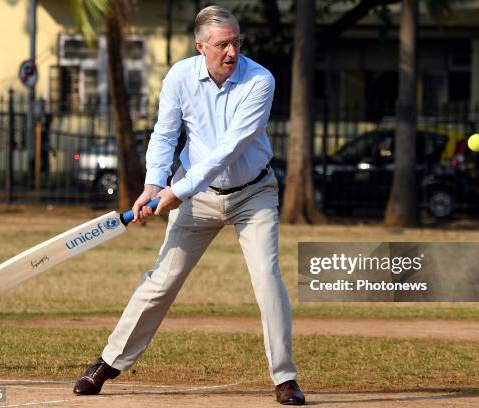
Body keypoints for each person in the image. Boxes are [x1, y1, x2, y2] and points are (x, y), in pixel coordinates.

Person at [73, 5, 305, 406]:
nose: (231, 52)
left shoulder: (260, 80)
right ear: (201, 47)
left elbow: (230, 148)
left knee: (267, 277)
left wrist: (177, 191)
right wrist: (154, 184)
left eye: (236, 42)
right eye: (221, 45)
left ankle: (284, 378)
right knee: (162, 279)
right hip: (197, 196)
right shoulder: (180, 76)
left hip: (253, 193)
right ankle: (109, 362)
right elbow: (164, 134)